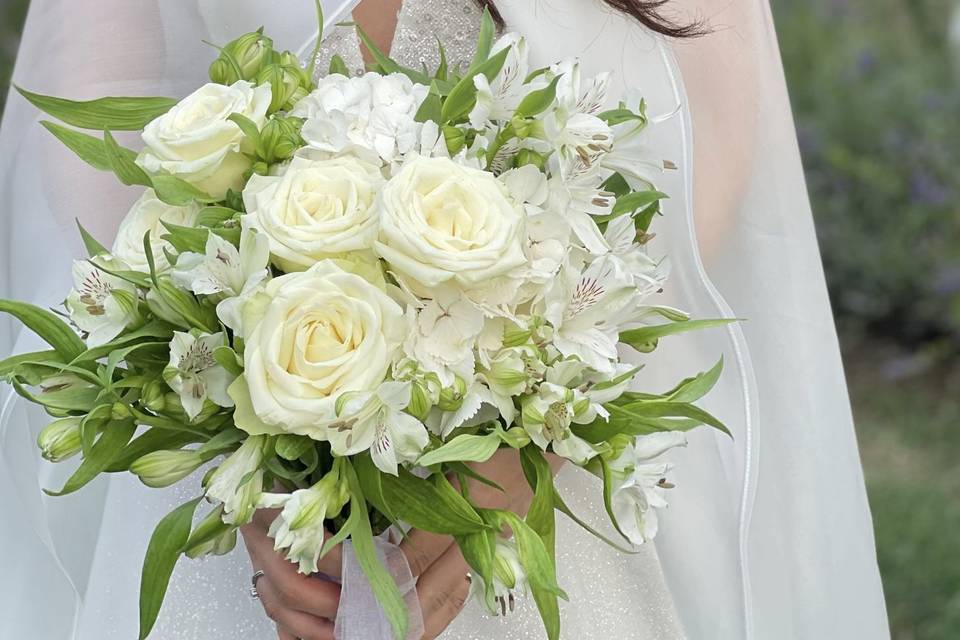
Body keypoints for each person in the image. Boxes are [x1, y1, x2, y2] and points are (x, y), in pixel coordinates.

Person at [0, 1, 889, 638]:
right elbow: (99, 92)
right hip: (247, 478)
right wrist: (253, 443)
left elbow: (709, 130)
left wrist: (522, 444)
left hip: (548, 448)